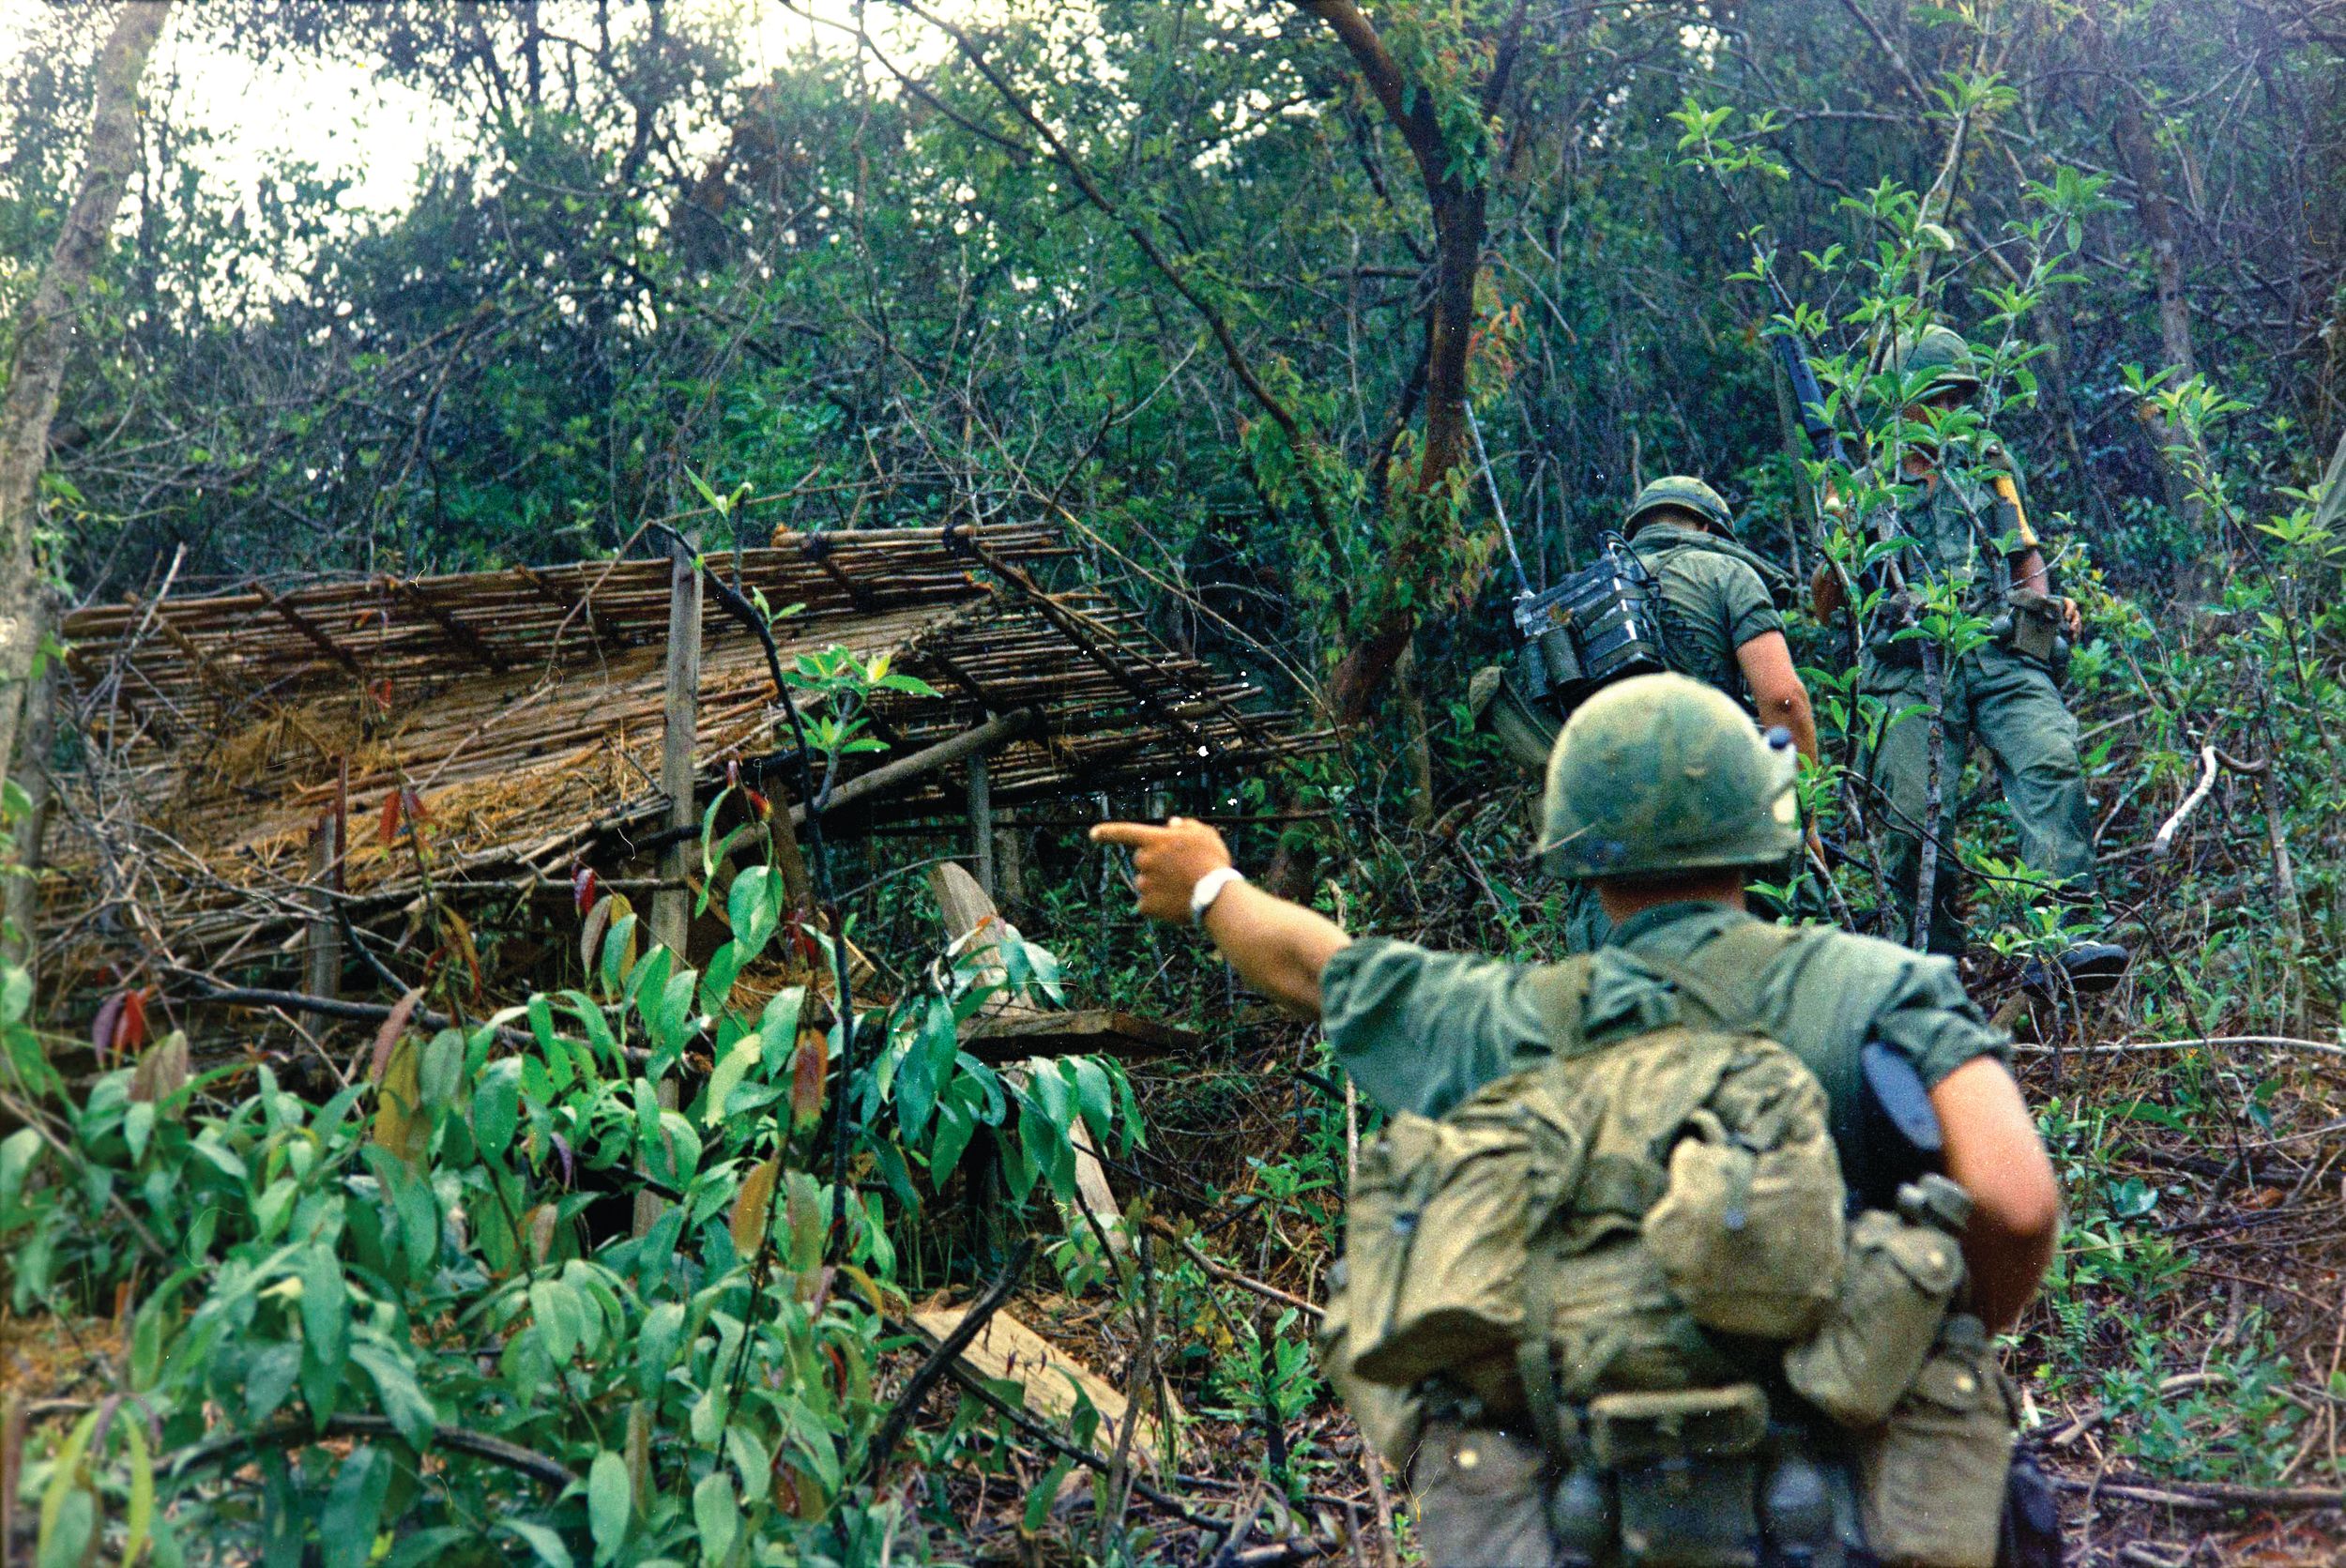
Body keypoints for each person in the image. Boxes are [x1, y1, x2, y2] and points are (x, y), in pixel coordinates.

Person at [1093, 673, 2060, 1568]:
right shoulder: (1877, 988)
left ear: (1573, 842)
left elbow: (1315, 966)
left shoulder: (1493, 1019)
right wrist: (1909, 1343)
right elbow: (2014, 1204)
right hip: (1844, 1508)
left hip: (1588, 1519)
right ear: (1758, 820)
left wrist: (1212, 883)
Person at [1833, 324, 2125, 990]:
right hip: (1905, 663)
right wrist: (1842, 534)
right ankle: (1929, 967)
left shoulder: (1987, 464)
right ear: (1898, 403)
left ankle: (2066, 937)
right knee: (1911, 814)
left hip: (1993, 645)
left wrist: (2043, 614)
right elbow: (1829, 604)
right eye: (1930, 399)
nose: (1944, 414)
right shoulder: (1863, 484)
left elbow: (2025, 556)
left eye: (1955, 397)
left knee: (2051, 757)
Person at [1470, 474, 1819, 951]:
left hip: (1612, 855)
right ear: (1706, 524)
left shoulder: (1582, 603)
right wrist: (1806, 821)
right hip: (1720, 835)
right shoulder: (1725, 572)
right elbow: (1783, 699)